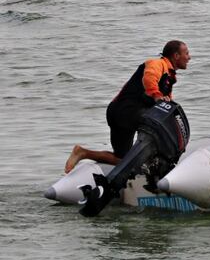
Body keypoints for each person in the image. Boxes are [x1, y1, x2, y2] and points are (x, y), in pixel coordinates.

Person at [64, 40, 191, 173]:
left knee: (121, 159)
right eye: (187, 53)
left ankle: (82, 152)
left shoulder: (169, 78)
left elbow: (166, 106)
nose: (189, 57)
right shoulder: (157, 64)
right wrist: (157, 95)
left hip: (118, 112)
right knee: (157, 130)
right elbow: (149, 78)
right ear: (176, 56)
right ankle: (153, 168)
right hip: (129, 111)